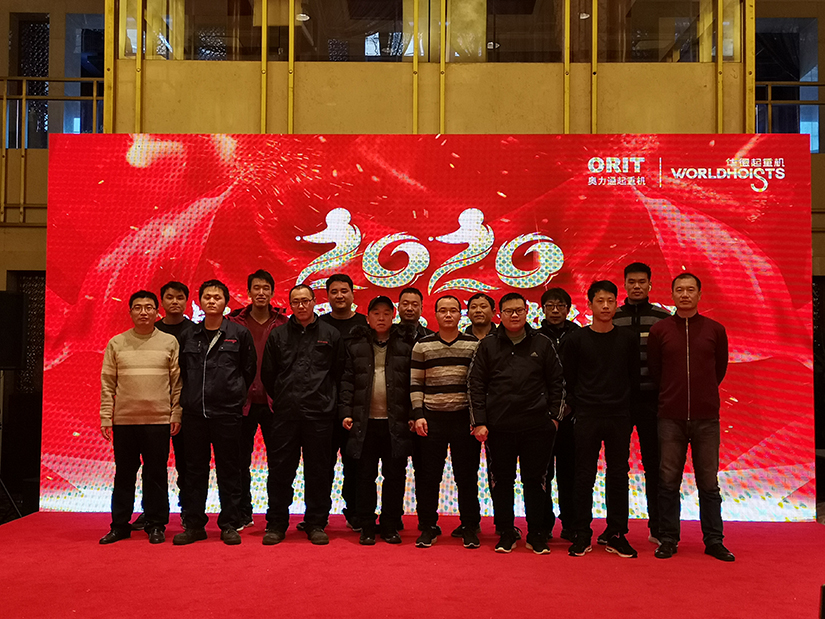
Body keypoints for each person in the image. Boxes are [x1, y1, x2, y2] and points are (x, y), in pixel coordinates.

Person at [468, 292, 565, 555]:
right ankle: (506, 532)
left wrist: (554, 418)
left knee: (536, 481)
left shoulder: (542, 343)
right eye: (509, 311)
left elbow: (558, 382)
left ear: (526, 312)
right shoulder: (488, 345)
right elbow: (475, 385)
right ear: (499, 314)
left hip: (537, 426)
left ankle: (536, 533)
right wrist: (479, 422)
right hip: (499, 427)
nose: (514, 315)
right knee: (502, 481)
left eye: (519, 310)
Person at [648, 273, 733, 562]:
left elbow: (719, 369)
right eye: (680, 290)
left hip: (706, 418)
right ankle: (668, 538)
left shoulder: (715, 330)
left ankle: (714, 540)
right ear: (672, 294)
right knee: (668, 480)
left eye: (690, 290)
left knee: (708, 482)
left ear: (699, 294)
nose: (685, 295)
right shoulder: (660, 330)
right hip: (670, 417)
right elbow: (656, 371)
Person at [173, 280, 257, 546]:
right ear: (200, 302)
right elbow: (182, 372)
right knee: (193, 471)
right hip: (194, 414)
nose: (212, 301)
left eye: (217, 297)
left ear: (226, 302)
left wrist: (233, 396)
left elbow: (248, 370)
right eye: (207, 297)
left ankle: (230, 524)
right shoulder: (189, 335)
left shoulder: (239, 334)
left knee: (229, 470)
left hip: (227, 414)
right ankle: (194, 524)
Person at [261, 284, 345, 545]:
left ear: (314, 302)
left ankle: (316, 523)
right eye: (295, 302)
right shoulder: (278, 335)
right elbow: (269, 374)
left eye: (305, 301)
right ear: (290, 305)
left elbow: (339, 372)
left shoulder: (330, 334)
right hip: (285, 415)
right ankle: (276, 523)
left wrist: (327, 400)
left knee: (319, 471)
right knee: (280, 471)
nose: (301, 306)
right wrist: (283, 398)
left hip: (320, 414)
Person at [563, 280, 639, 559]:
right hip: (587, 415)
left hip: (619, 416)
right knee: (584, 475)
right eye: (600, 301)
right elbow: (569, 379)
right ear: (590, 305)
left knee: (618, 474)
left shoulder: (628, 338)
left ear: (617, 304)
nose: (606, 306)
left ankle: (616, 533)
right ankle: (581, 532)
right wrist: (578, 407)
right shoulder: (576, 339)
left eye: (610, 301)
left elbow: (633, 377)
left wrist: (628, 411)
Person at [99, 290, 182, 545]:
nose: (143, 312)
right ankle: (119, 525)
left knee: (155, 475)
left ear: (157, 312)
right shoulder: (117, 343)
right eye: (138, 307)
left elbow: (177, 383)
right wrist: (106, 416)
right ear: (130, 312)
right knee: (124, 474)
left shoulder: (169, 342)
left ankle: (155, 525)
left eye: (148, 307)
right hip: (125, 421)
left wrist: (176, 412)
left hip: (158, 420)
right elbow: (107, 383)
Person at [340, 296, 414, 545]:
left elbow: (413, 383)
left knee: (395, 476)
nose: (381, 318)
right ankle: (367, 526)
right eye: (376, 313)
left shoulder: (406, 344)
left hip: (396, 422)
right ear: (368, 317)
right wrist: (346, 412)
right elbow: (347, 382)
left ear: (393, 316)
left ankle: (390, 524)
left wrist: (412, 415)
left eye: (386, 313)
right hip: (365, 423)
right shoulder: (356, 345)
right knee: (364, 476)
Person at [410, 295, 481, 549]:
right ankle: (427, 526)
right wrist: (418, 414)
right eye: (443, 310)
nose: (448, 315)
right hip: (432, 419)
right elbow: (415, 382)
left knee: (467, 477)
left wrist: (477, 419)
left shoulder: (474, 345)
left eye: (453, 310)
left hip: (464, 419)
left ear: (461, 314)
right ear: (436, 314)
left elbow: (478, 385)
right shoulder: (422, 345)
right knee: (429, 477)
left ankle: (470, 526)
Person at [611, 262, 672, 545]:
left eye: (642, 282)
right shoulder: (613, 316)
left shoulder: (663, 318)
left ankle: (659, 527)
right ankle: (616, 528)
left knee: (655, 466)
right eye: (631, 282)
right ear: (624, 284)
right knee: (617, 467)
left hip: (653, 401)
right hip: (619, 402)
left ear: (650, 285)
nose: (636, 286)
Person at [228, 269, 288, 531]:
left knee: (279, 463)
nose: (261, 292)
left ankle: (276, 516)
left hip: (276, 404)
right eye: (256, 288)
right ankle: (243, 512)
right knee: (239, 461)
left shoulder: (284, 323)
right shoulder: (233, 323)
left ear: (272, 292)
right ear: (248, 292)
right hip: (241, 404)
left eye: (266, 288)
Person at [131, 280, 192, 531]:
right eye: (169, 297)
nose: (174, 301)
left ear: (187, 301)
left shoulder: (195, 331)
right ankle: (151, 511)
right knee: (153, 465)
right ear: (161, 303)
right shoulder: (150, 330)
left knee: (187, 463)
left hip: (186, 406)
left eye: (180, 297)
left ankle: (188, 511)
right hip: (152, 407)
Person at [319, 273, 367, 531]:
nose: (339, 296)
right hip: (323, 406)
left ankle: (356, 513)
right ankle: (318, 515)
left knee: (355, 463)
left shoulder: (365, 324)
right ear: (327, 296)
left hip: (358, 406)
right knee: (321, 464)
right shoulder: (319, 325)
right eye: (334, 291)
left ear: (352, 294)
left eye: (344, 291)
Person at [538, 287, 580, 542]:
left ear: (568, 309)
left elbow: (583, 374)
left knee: (570, 472)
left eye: (560, 306)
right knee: (542, 472)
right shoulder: (535, 337)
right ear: (542, 309)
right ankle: (543, 523)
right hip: (542, 415)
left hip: (572, 415)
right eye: (550, 306)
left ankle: (571, 523)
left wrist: (571, 404)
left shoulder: (579, 335)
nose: (555, 311)